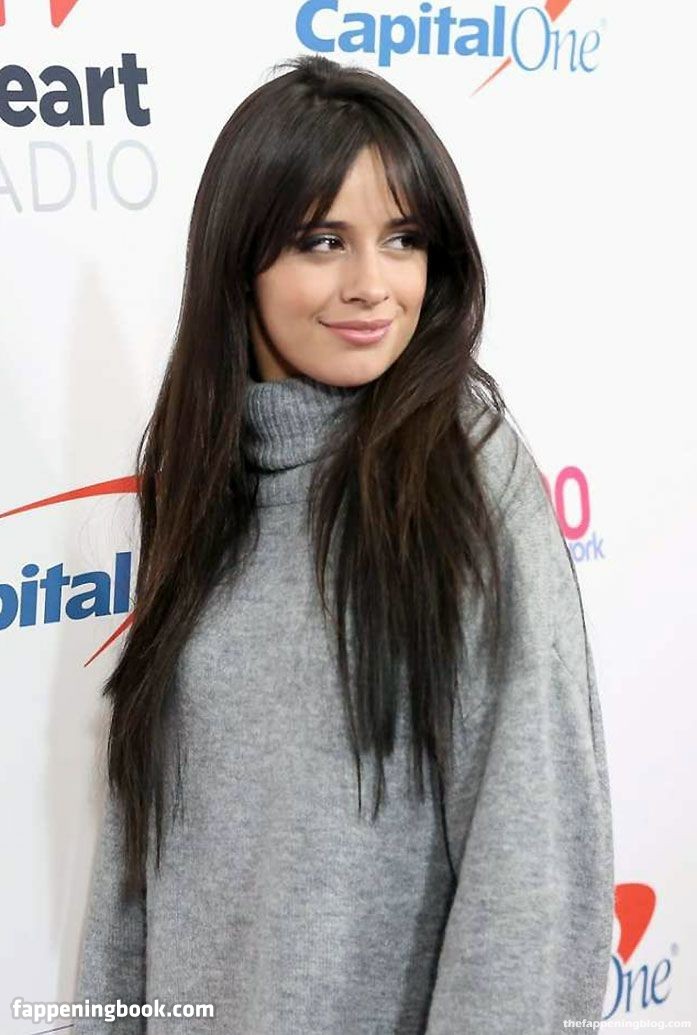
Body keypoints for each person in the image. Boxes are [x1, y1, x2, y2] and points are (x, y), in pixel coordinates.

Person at [73, 53, 615, 1034]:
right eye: (323, 241)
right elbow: (137, 851)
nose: (373, 285)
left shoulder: (465, 484)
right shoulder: (201, 484)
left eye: (403, 240)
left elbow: (532, 879)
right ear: (241, 260)